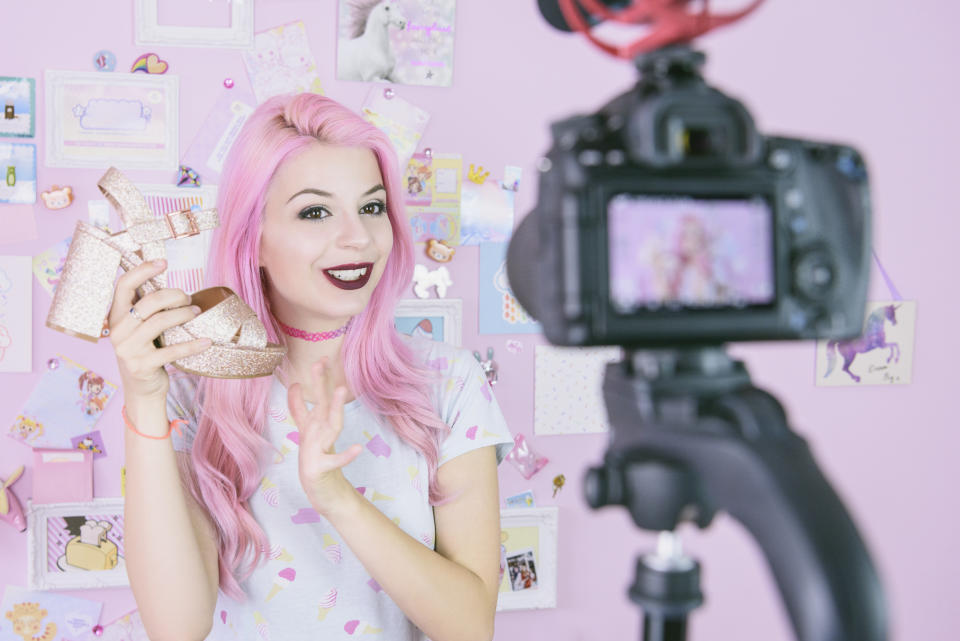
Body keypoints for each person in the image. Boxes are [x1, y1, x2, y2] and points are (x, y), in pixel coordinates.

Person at [111, 93, 515, 641]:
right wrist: (142, 398)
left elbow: (469, 628)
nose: (358, 237)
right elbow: (176, 627)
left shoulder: (449, 382)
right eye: (315, 211)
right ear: (253, 239)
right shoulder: (191, 388)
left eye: (372, 207)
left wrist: (336, 497)